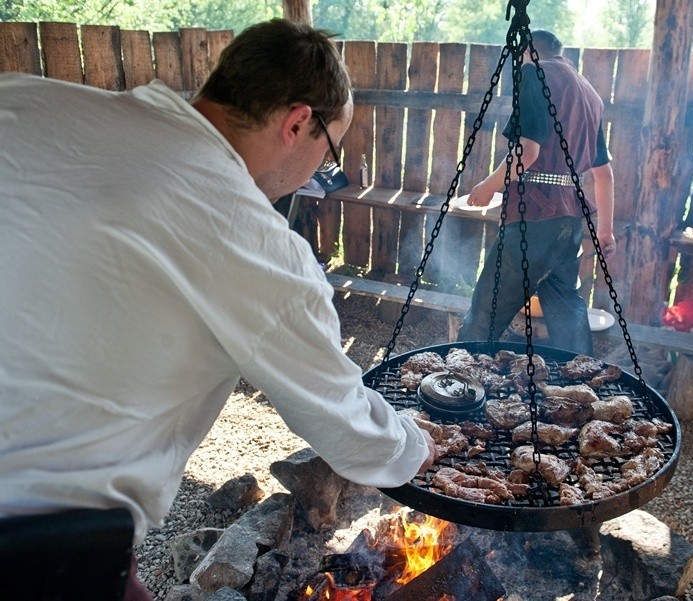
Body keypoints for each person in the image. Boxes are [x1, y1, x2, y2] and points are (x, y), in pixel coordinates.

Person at [0, 18, 434, 598]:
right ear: (298, 123)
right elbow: (344, 421)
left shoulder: (26, 100)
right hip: (31, 537)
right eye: (329, 149)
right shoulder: (248, 237)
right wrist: (418, 446)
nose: (320, 170)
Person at [457, 29, 616, 355]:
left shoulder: (533, 72)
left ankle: (458, 386)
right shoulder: (590, 94)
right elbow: (605, 174)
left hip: (534, 218)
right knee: (566, 312)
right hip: (569, 223)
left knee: (484, 313)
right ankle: (582, 382)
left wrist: (488, 186)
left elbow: (526, 152)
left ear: (528, 52)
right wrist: (606, 231)